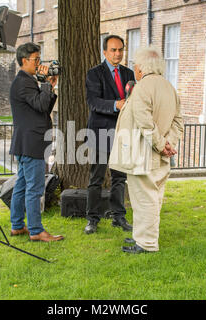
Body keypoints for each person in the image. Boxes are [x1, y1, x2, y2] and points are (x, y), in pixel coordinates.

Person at [109, 47, 184, 254]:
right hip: (160, 155)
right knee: (154, 197)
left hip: (142, 153)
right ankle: (142, 237)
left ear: (140, 68)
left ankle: (147, 243)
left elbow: (145, 122)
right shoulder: (169, 87)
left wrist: (161, 145)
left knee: (144, 200)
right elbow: (178, 121)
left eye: (135, 66)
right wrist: (169, 144)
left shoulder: (142, 88)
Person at [9, 42, 64, 242]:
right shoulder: (24, 82)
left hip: (26, 143)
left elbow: (43, 108)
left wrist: (51, 85)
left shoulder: (25, 81)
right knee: (35, 188)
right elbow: (41, 105)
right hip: (32, 143)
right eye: (36, 60)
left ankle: (17, 225)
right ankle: (35, 230)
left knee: (22, 185)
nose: (40, 64)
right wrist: (46, 84)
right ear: (25, 60)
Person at [84, 35, 136, 234]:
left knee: (119, 178)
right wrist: (116, 104)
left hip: (122, 133)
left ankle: (118, 217)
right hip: (100, 133)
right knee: (96, 178)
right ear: (104, 52)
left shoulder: (129, 73)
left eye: (120, 49)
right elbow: (93, 102)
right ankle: (92, 219)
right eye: (113, 50)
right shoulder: (94, 74)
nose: (118, 53)